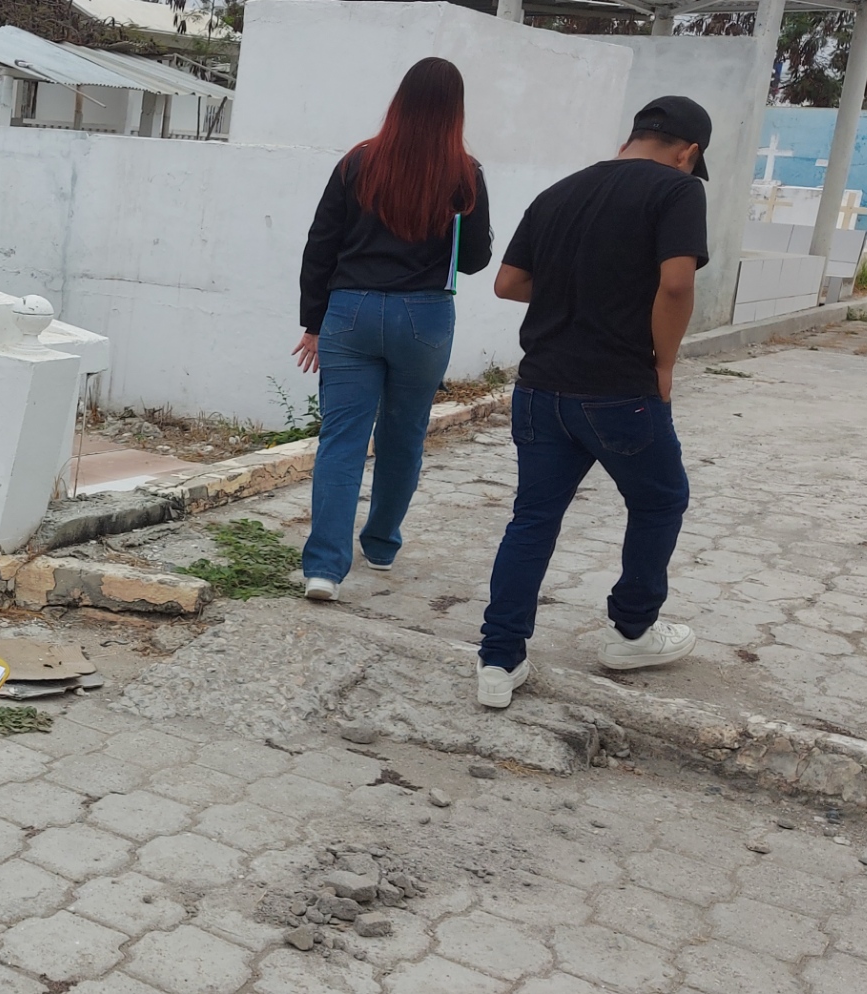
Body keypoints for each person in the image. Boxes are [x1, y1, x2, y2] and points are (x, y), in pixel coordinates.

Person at [474, 95, 712, 709]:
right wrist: (664, 364)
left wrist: (578, 291)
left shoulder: (560, 191)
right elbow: (677, 284)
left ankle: (498, 661)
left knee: (533, 518)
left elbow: (508, 283)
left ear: (630, 138)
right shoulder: (678, 191)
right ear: (687, 153)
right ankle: (632, 633)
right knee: (660, 500)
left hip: (539, 388)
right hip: (618, 392)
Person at [294, 57, 492, 602]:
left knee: (342, 439)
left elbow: (320, 245)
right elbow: (475, 259)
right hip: (424, 316)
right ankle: (380, 545)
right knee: (404, 435)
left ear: (399, 100)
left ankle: (323, 569)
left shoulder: (357, 162)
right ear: (455, 110)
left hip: (350, 313)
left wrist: (313, 323)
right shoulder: (465, 174)